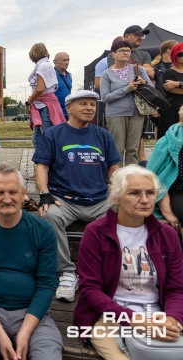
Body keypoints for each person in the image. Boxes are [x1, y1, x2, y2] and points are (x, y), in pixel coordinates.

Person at [73, 165, 183, 359]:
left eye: (150, 193)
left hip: (158, 313)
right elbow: (90, 289)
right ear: (116, 197)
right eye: (134, 193)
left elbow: (177, 288)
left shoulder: (167, 235)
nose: (144, 200)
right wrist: (135, 320)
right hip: (110, 316)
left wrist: (172, 319)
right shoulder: (96, 233)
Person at [0, 163, 63, 359]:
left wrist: (25, 333)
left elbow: (47, 283)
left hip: (32, 313)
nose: (7, 199)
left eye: (13, 192)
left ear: (23, 193)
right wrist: (0, 334)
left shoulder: (42, 230)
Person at [32, 90, 122, 302]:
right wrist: (44, 194)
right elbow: (41, 167)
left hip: (100, 200)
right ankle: (67, 273)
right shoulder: (53, 134)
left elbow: (115, 170)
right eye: (83, 104)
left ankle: (106, 271)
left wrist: (120, 193)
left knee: (128, 217)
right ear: (68, 108)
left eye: (92, 105)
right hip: (65, 200)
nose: (89, 108)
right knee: (50, 217)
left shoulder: (103, 135)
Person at [101, 40, 155, 166]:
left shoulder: (138, 69)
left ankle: (132, 177)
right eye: (122, 50)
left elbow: (152, 89)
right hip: (115, 114)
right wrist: (127, 89)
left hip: (137, 112)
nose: (126, 53)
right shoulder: (106, 74)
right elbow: (105, 98)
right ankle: (116, 178)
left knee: (133, 149)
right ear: (113, 54)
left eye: (128, 50)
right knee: (117, 148)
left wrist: (143, 83)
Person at [147, 105, 183, 234]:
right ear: (181, 120)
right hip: (175, 193)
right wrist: (167, 212)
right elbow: (154, 178)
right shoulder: (166, 142)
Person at [26, 43, 66, 147]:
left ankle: (47, 162)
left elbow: (40, 88)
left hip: (44, 106)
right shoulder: (44, 65)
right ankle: (40, 161)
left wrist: (29, 101)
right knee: (38, 139)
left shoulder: (43, 66)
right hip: (41, 105)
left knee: (46, 138)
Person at [161, 43, 183, 139]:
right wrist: (175, 86)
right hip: (172, 109)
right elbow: (171, 90)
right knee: (171, 137)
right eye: (180, 54)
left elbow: (175, 87)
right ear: (174, 55)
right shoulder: (168, 72)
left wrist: (178, 84)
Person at [53, 52, 72, 118]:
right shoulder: (52, 74)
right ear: (55, 62)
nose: (66, 62)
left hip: (67, 111)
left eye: (68, 60)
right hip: (55, 112)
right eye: (64, 60)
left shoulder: (69, 75)